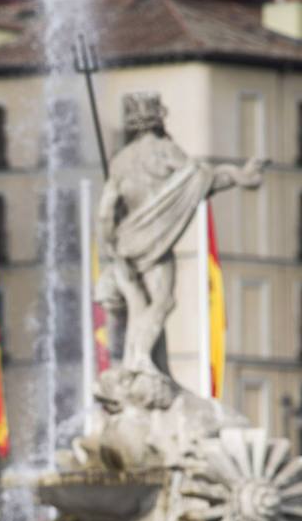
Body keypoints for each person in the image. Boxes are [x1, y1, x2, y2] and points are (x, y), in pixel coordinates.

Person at [96, 92, 264, 376]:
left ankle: (147, 365)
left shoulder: (120, 160)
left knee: (138, 304)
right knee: (161, 302)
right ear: (159, 118)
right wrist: (237, 175)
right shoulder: (165, 149)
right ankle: (138, 358)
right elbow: (199, 180)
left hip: (126, 241)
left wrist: (109, 242)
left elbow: (106, 209)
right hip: (157, 244)